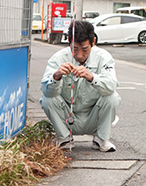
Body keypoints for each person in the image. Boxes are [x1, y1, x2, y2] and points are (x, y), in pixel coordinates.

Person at [41, 20, 120, 152]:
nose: (79, 55)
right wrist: (56, 76)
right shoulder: (58, 58)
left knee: (112, 97)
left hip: (93, 117)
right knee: (47, 99)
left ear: (93, 42)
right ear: (68, 41)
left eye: (84, 49)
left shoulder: (104, 57)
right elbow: (47, 91)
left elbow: (111, 85)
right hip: (67, 116)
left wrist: (92, 77)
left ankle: (101, 138)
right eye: (74, 49)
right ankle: (64, 139)